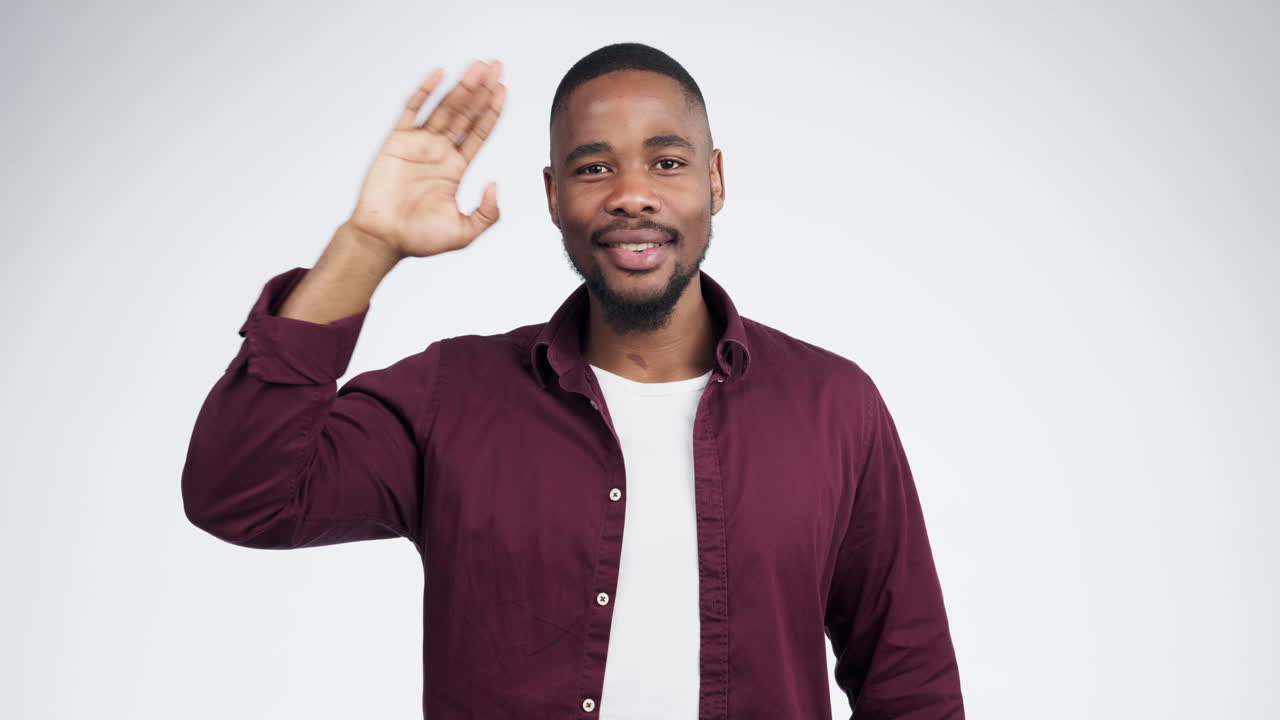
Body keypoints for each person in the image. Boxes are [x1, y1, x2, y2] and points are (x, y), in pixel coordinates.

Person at [182, 42, 965, 719]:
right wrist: (365, 245)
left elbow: (908, 679)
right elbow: (243, 493)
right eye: (595, 167)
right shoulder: (453, 398)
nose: (632, 193)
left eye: (667, 161)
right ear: (553, 195)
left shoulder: (833, 407)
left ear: (715, 181)